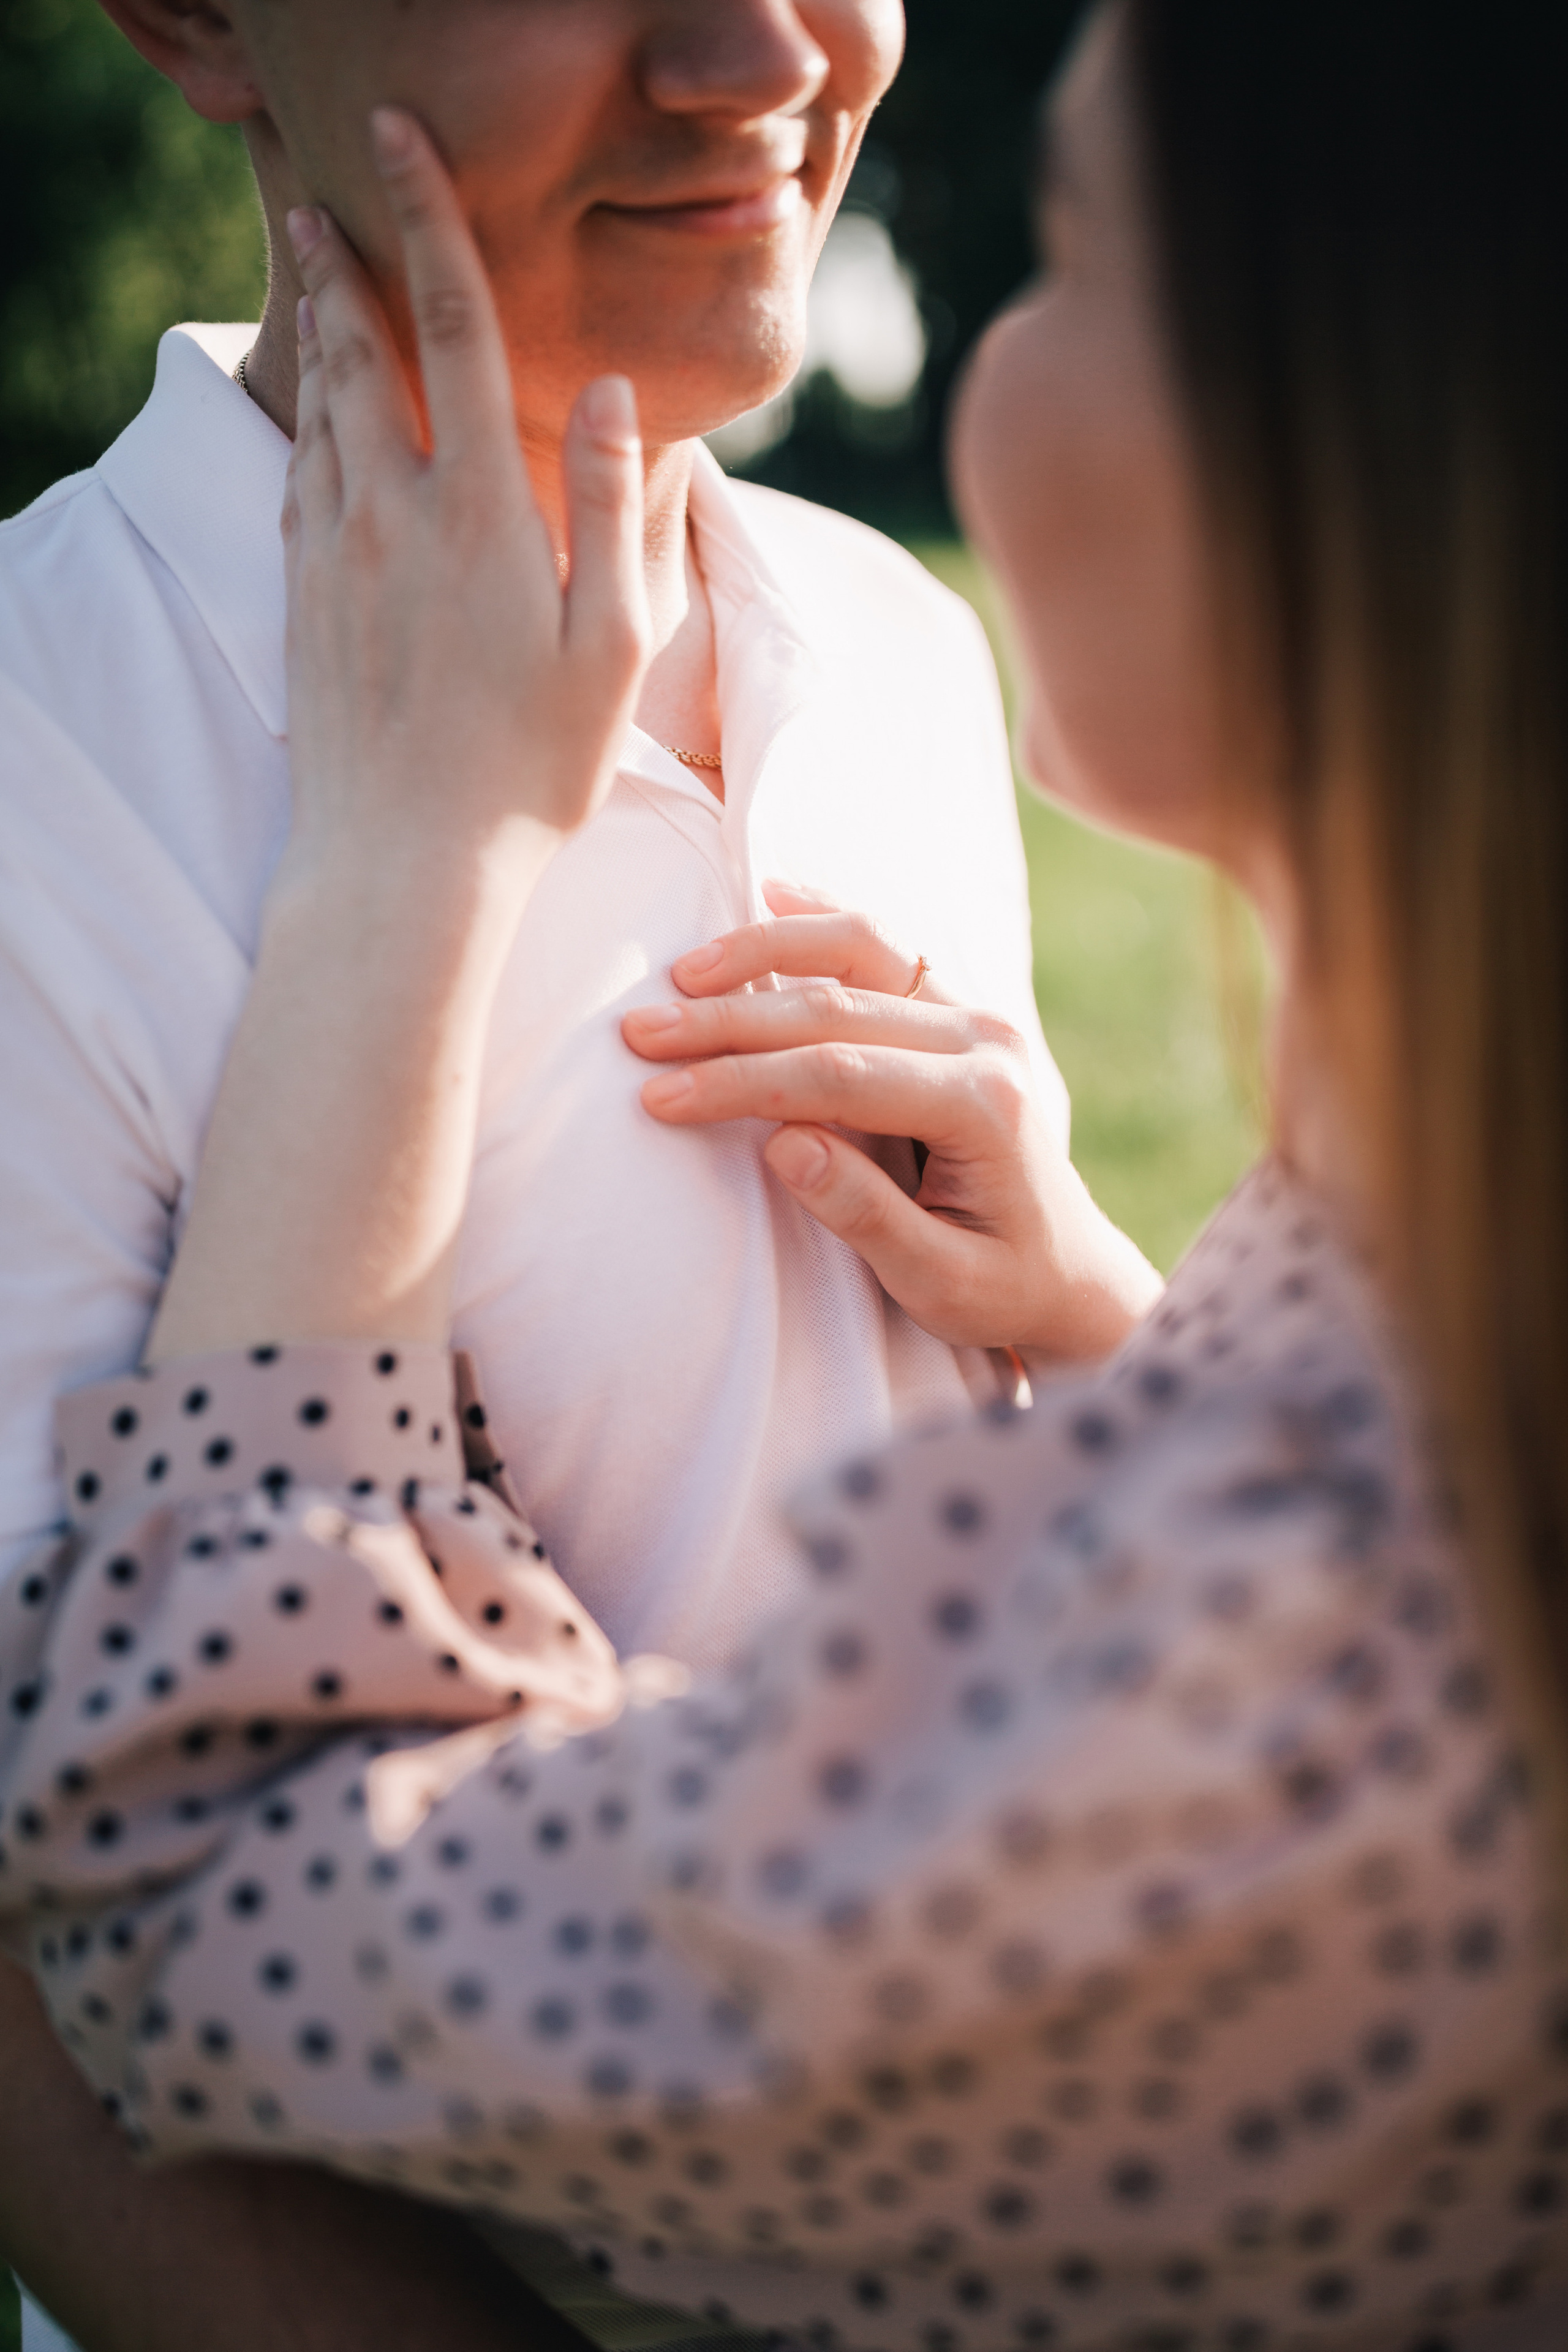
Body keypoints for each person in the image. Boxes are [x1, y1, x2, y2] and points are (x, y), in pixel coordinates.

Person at [8, 1, 1568, 2350]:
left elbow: (173, 1877)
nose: (762, 47)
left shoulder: (891, 646)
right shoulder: (49, 742)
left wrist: (401, 886)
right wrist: (1142, 1344)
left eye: (1061, 259)